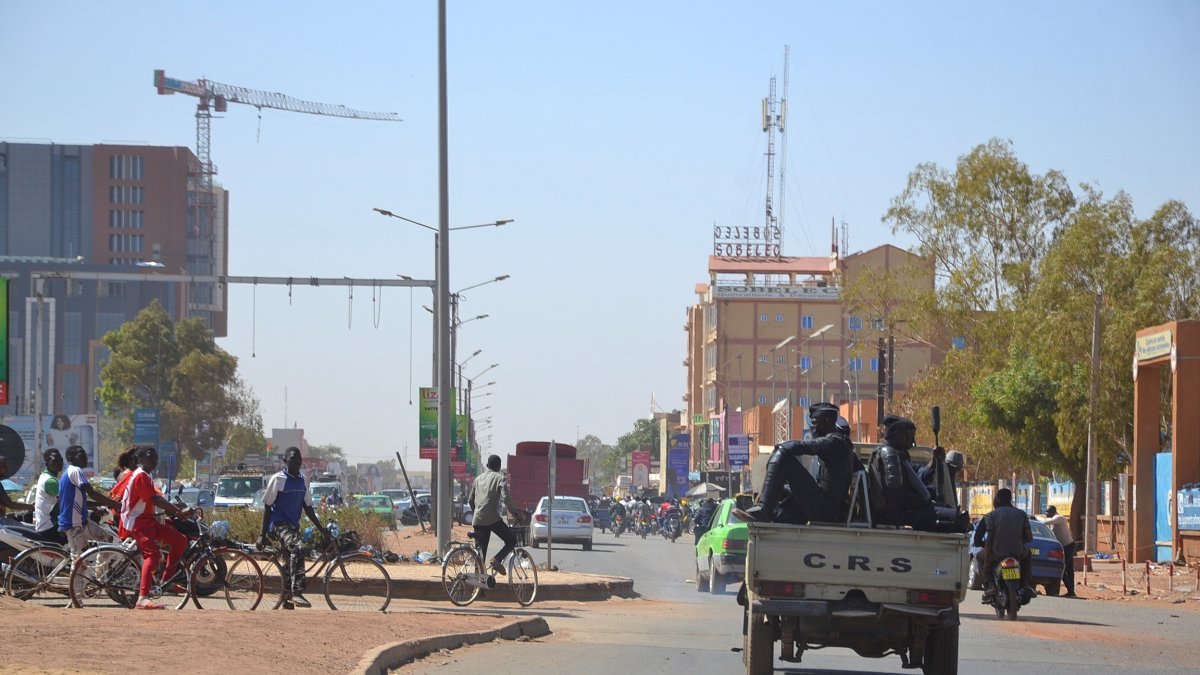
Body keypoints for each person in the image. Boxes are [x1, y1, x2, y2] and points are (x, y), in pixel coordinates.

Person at [733, 402, 858, 524]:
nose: (812, 428)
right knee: (784, 488)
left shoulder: (834, 443)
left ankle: (763, 510)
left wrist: (778, 451)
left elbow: (799, 447)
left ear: (827, 422)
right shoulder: (843, 444)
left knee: (784, 455)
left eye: (815, 423)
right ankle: (769, 514)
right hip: (829, 508)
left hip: (827, 510)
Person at [121, 446, 194, 610]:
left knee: (180, 541)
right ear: (140, 460)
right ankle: (142, 598)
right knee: (153, 556)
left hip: (148, 521)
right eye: (150, 456)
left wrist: (177, 508)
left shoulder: (148, 475)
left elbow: (159, 498)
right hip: (137, 522)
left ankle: (167, 582)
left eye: (155, 456)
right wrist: (178, 512)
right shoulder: (140, 476)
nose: (154, 459)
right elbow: (155, 499)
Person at [869, 416, 969, 533]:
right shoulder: (889, 454)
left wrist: (933, 462)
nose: (910, 438)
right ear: (895, 434)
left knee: (948, 509)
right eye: (906, 434)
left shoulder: (900, 457)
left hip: (905, 510)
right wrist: (921, 502)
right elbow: (898, 493)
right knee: (958, 518)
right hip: (896, 513)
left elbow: (918, 478)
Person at [259, 447, 329, 609]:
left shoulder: (303, 480)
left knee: (288, 560)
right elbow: (268, 506)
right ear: (285, 461)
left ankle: (286, 598)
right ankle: (296, 592)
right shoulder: (278, 479)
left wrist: (321, 528)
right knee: (298, 548)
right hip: (278, 525)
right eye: (292, 460)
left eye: (298, 460)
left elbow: (308, 507)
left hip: (292, 526)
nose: (296, 463)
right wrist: (262, 535)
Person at [59, 445, 120, 558]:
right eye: (81, 455)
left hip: (82, 521)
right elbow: (92, 493)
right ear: (71, 458)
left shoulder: (70, 472)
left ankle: (101, 575)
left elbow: (81, 501)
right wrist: (115, 504)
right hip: (73, 524)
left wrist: (99, 506)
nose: (86, 457)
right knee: (79, 562)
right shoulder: (75, 470)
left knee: (106, 539)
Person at [973, 488, 1033, 601]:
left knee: (978, 556)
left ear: (998, 499)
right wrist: (1020, 541)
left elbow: (986, 539)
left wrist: (986, 559)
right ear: (1010, 499)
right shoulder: (1022, 514)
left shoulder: (990, 516)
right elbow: (1029, 537)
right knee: (1028, 553)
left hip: (996, 554)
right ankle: (1027, 584)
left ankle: (990, 585)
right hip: (1018, 554)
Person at [469, 454, 517, 576]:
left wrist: (477, 512)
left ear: (487, 466)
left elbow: (470, 500)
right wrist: (514, 512)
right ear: (499, 467)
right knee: (511, 540)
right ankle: (497, 559)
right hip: (492, 518)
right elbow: (506, 497)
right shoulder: (500, 478)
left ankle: (479, 586)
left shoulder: (478, 479)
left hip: (477, 519)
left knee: (480, 554)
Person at [1038, 505, 1077, 597]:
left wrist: (1036, 517)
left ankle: (1071, 591)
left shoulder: (1059, 518)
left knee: (1063, 569)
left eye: (1048, 512)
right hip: (1065, 547)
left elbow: (1045, 522)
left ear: (1053, 511)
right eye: (1046, 512)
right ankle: (1071, 592)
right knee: (1069, 570)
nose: (1047, 514)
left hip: (1068, 547)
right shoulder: (1055, 520)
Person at [31, 449, 68, 545]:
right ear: (47, 464)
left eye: (60, 459)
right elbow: (69, 501)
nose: (59, 463)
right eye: (55, 461)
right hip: (50, 526)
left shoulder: (46, 476)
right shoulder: (50, 481)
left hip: (49, 524)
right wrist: (94, 507)